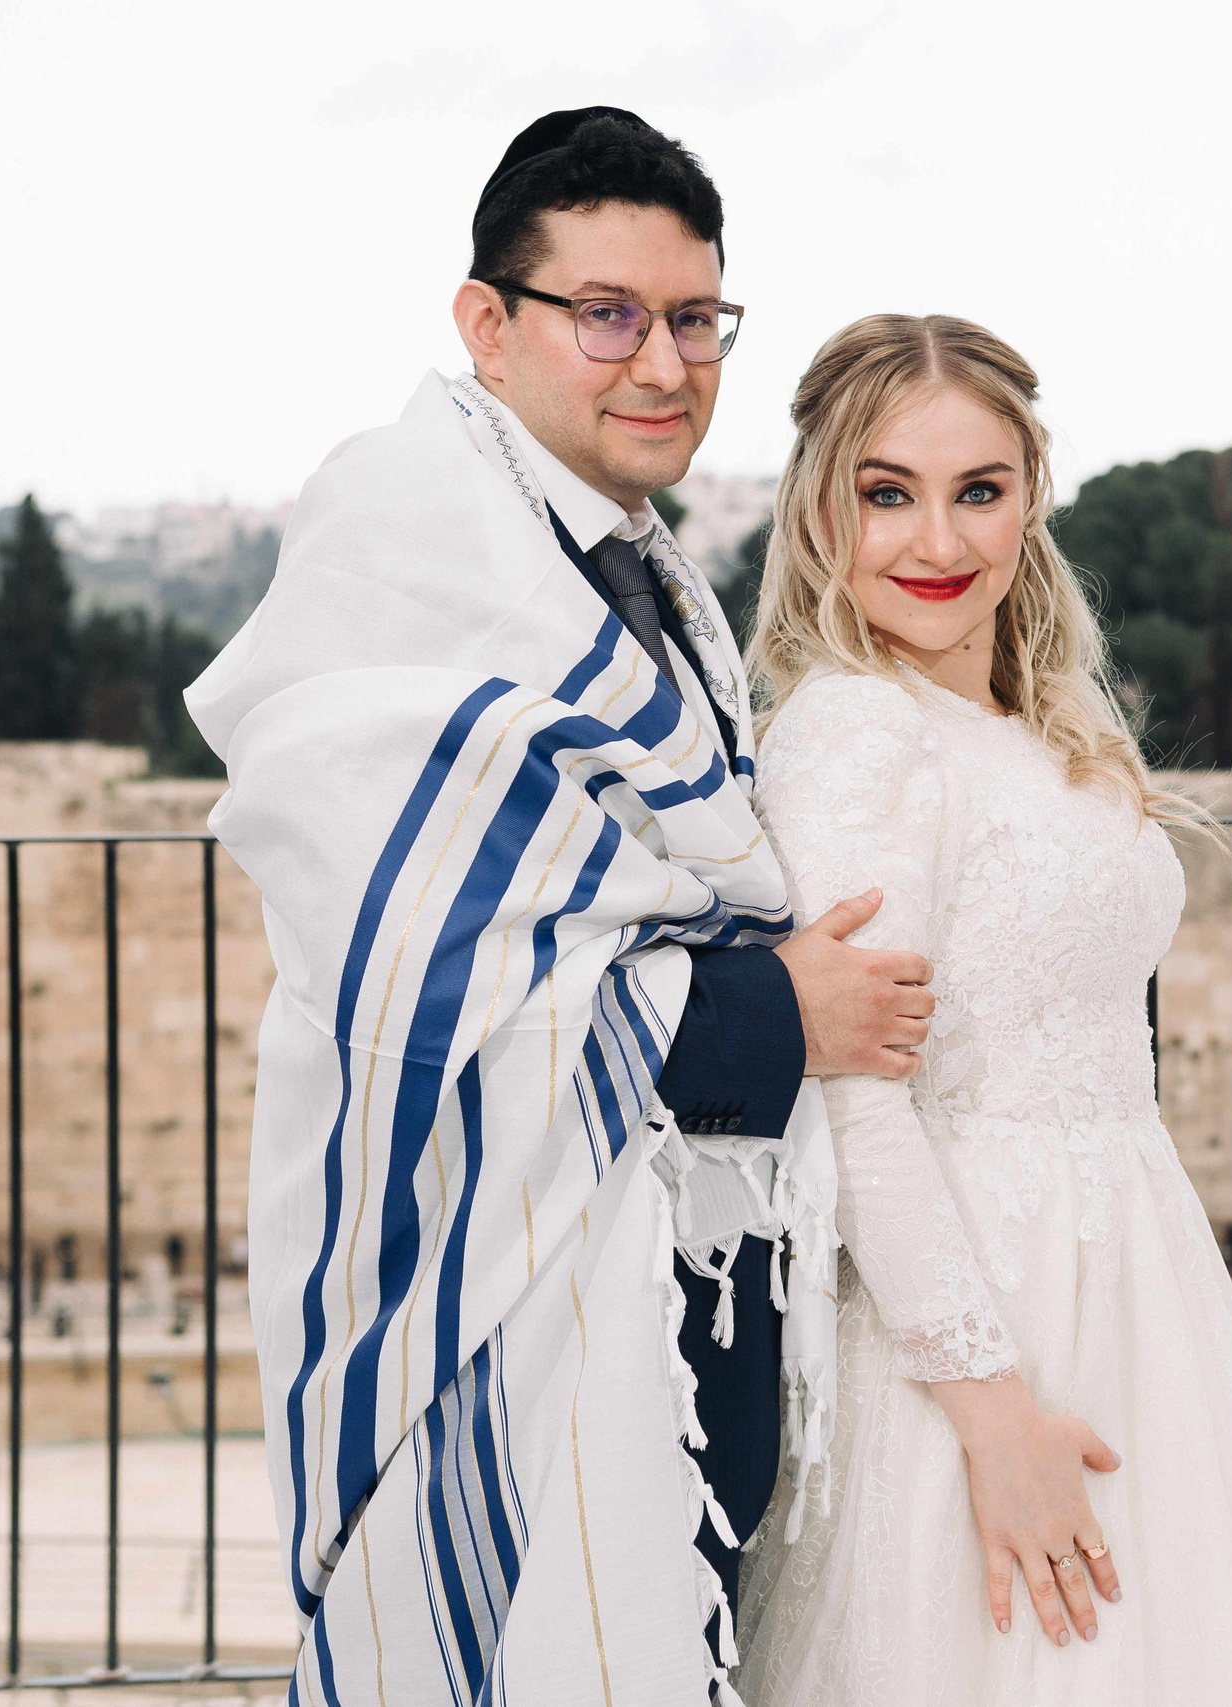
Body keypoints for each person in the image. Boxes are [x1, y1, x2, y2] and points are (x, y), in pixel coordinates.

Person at [186, 111, 924, 1706]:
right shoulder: (414, 542)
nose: (661, 363)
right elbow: (418, 949)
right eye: (606, 313)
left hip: (648, 1255)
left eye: (694, 320)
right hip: (486, 1267)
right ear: (486, 323)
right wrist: (767, 1008)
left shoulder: (632, 566)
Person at [734, 315, 1232, 1704]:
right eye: (885, 492)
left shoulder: (1022, 727)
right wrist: (990, 1414)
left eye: (981, 491)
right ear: (819, 505)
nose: (938, 542)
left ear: (1030, 497)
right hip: (981, 1310)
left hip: (1125, 1282)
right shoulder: (859, 730)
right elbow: (857, 1098)